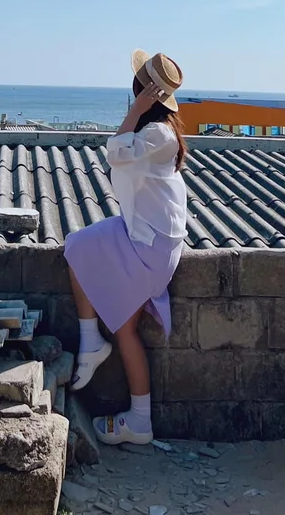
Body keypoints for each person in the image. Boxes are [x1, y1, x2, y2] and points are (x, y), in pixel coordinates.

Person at [64, 49, 188, 446]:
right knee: (126, 328)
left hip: (150, 246)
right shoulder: (162, 132)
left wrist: (135, 110)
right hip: (151, 238)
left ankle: (90, 342)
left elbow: (115, 152)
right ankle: (139, 420)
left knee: (76, 248)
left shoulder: (156, 135)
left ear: (144, 91)